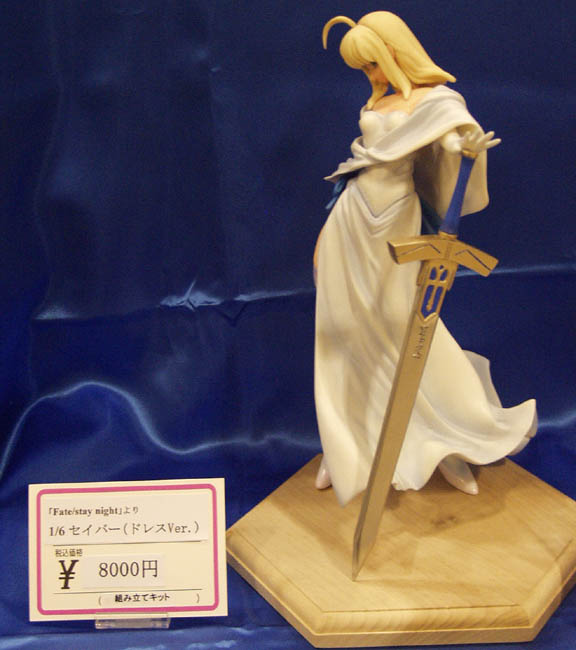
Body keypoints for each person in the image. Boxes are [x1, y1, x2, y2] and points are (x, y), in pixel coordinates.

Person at [314, 12, 537, 506]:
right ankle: (344, 442)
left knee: (406, 324)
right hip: (352, 219)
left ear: (395, 51)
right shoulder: (378, 101)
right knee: (340, 327)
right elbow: (362, 162)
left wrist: (465, 147)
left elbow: (449, 140)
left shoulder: (437, 102)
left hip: (398, 220)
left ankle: (447, 441)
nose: (370, 74)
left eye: (373, 63)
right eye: (362, 68)